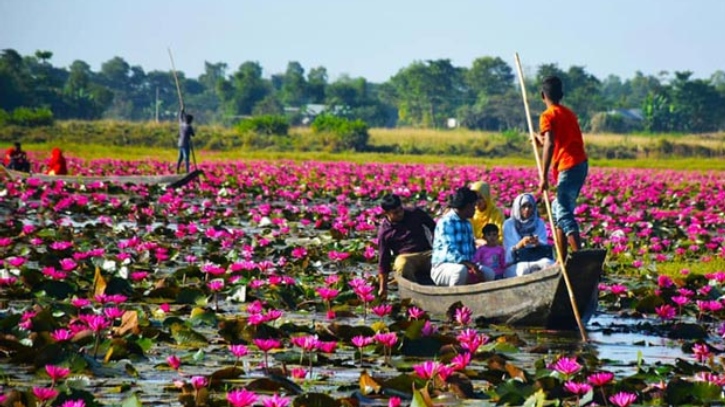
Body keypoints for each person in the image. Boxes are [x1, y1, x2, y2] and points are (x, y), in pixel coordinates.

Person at [536, 75, 589, 260]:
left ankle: (581, 259)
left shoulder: (547, 115)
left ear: (543, 95)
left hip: (568, 166)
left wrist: (543, 176)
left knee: (564, 212)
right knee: (558, 207)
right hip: (580, 164)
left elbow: (550, 144)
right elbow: (560, 140)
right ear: (561, 95)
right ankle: (561, 259)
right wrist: (540, 140)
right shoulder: (568, 113)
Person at [377, 193, 437, 298]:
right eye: (395, 213)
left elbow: (434, 227)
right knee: (402, 264)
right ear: (386, 213)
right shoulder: (384, 232)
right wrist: (383, 288)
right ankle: (414, 293)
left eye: (401, 210)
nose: (400, 214)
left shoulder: (415, 213)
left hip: (427, 253)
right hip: (406, 258)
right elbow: (384, 261)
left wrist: (437, 245)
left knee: (444, 261)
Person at [431, 187, 484, 286]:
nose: (475, 209)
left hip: (467, 266)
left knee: (489, 273)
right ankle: (453, 299)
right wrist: (469, 265)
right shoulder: (446, 222)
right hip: (443, 267)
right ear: (467, 206)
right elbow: (450, 250)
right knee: (460, 271)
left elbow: (472, 250)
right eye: (474, 206)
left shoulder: (467, 224)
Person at [503, 193, 555, 278]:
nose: (527, 209)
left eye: (530, 206)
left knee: (548, 264)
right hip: (517, 262)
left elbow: (544, 244)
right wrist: (521, 243)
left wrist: (537, 242)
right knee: (524, 269)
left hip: (537, 258)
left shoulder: (538, 223)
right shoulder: (509, 224)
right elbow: (508, 252)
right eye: (523, 206)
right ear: (518, 207)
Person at [469, 181, 505, 246]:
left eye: (480, 198)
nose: (477, 201)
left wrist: (487, 243)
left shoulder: (496, 214)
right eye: (474, 198)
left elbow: (501, 238)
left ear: (486, 198)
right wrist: (478, 242)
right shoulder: (469, 213)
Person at [176, 108, 195, 174]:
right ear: (190, 121)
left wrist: (181, 111)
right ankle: (187, 171)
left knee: (180, 158)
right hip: (186, 144)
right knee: (186, 158)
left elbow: (180, 117)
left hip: (180, 143)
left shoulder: (181, 124)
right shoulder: (189, 127)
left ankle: (177, 169)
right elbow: (193, 134)